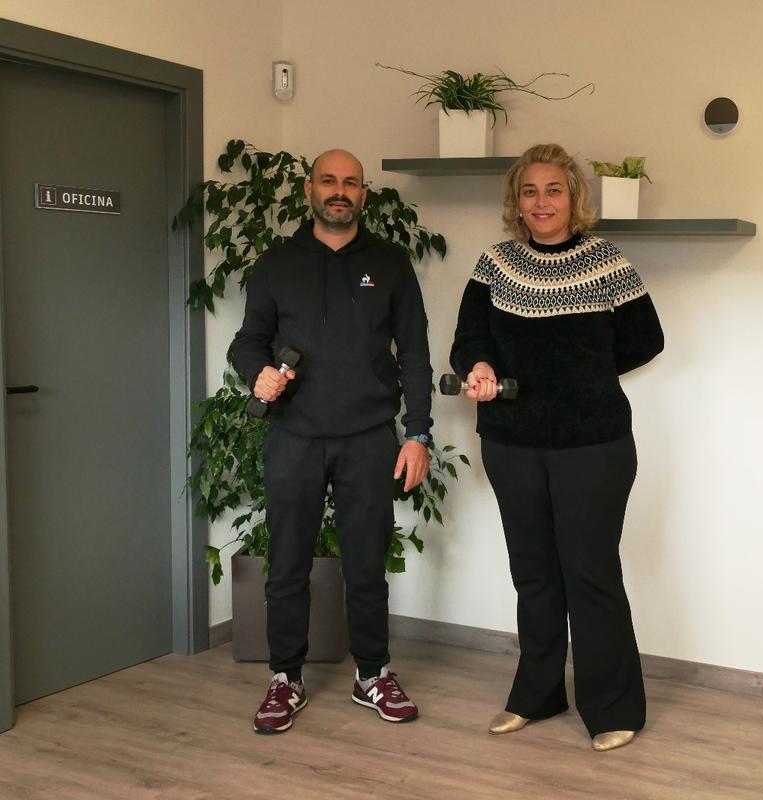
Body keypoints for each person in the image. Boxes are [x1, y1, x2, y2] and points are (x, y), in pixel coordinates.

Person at [449, 143, 664, 752]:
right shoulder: (495, 264)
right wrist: (482, 364)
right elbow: (468, 340)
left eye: (554, 190)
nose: (541, 202)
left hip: (593, 446)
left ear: (574, 197)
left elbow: (646, 339)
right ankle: (537, 693)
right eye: (530, 191)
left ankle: (614, 707)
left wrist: (584, 378)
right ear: (516, 201)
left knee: (590, 573)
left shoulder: (606, 262)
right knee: (534, 575)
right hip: (511, 444)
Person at [232, 148, 433, 735]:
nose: (339, 190)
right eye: (328, 181)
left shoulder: (391, 264)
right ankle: (284, 679)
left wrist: (417, 432)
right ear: (309, 191)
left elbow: (415, 352)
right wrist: (257, 374)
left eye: (351, 182)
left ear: (364, 195)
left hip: (369, 438)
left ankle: (372, 674)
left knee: (366, 563)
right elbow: (248, 342)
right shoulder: (275, 263)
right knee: (287, 564)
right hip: (293, 436)